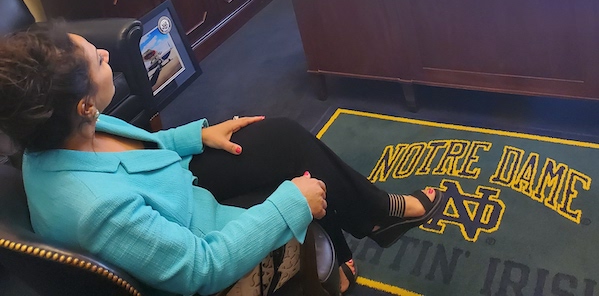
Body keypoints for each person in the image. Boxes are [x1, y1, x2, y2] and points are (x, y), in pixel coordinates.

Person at [0, 29, 442, 296]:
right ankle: (369, 223)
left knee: (283, 137)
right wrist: (289, 204)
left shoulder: (62, 133)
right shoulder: (96, 209)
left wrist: (196, 136)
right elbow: (200, 270)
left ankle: (376, 217)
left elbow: (145, 147)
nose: (107, 55)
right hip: (205, 242)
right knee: (305, 191)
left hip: (175, 191)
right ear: (84, 107)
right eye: (98, 59)